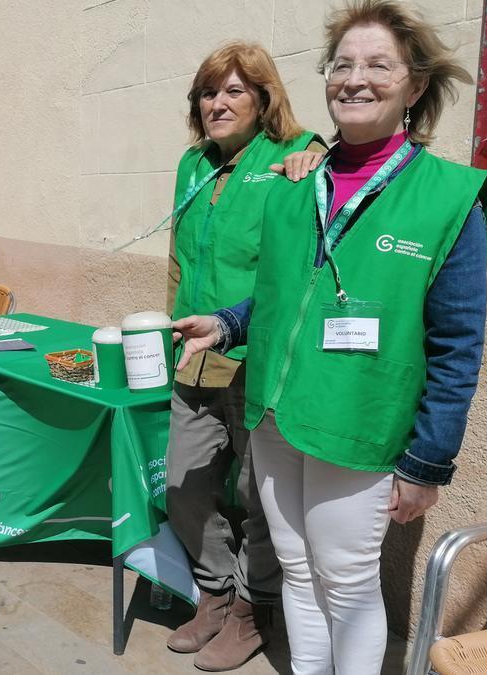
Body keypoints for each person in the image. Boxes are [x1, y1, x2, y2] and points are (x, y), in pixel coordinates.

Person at [173, 2, 487, 672]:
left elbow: (458, 344)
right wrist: (227, 322)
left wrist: (427, 461)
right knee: (295, 571)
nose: (355, 78)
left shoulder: (448, 197)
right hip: (275, 416)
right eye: (342, 64)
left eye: (378, 65)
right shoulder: (296, 186)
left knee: (346, 582)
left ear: (414, 86)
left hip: (360, 425)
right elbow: (280, 293)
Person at [163, 42, 324, 672]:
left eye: (234, 91)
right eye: (208, 92)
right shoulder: (192, 165)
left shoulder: (299, 153)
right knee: (184, 484)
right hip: (195, 353)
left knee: (264, 497)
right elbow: (179, 259)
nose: (218, 103)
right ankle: (215, 592)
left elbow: (327, 223)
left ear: (263, 99)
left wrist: (318, 159)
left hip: (260, 360)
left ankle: (256, 610)